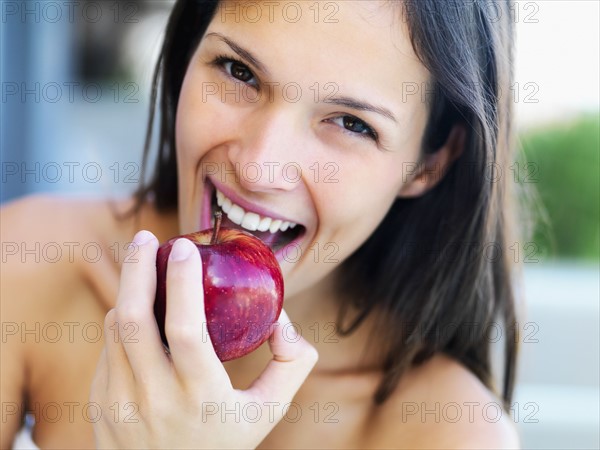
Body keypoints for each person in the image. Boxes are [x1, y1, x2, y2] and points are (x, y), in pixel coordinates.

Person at [2, 0, 524, 448]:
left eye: (350, 123)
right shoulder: (30, 263)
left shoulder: (450, 432)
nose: (257, 167)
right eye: (238, 71)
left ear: (430, 161)